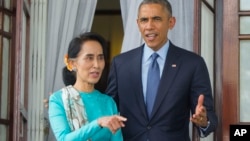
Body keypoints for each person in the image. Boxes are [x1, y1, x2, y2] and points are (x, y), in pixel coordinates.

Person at [105, 0, 218, 141]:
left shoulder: (192, 64)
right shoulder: (121, 63)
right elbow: (107, 108)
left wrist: (204, 121)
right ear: (138, 24)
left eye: (156, 19)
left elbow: (210, 118)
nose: (149, 26)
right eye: (144, 20)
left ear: (171, 22)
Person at [48, 32, 127, 141]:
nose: (97, 65)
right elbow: (64, 139)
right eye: (89, 58)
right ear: (72, 63)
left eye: (100, 58)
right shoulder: (58, 100)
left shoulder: (108, 103)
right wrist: (98, 123)